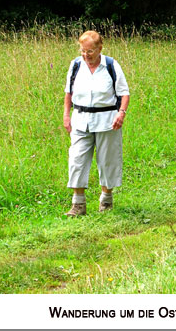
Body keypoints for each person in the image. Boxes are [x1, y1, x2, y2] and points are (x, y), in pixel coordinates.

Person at [63, 30, 130, 216]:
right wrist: (66, 115)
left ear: (100, 48)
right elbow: (68, 93)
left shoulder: (111, 65)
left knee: (108, 160)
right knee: (76, 159)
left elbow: (124, 93)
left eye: (90, 51)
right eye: (83, 51)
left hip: (107, 120)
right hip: (80, 119)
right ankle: (78, 204)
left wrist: (121, 114)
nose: (86, 55)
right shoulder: (76, 65)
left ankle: (106, 200)